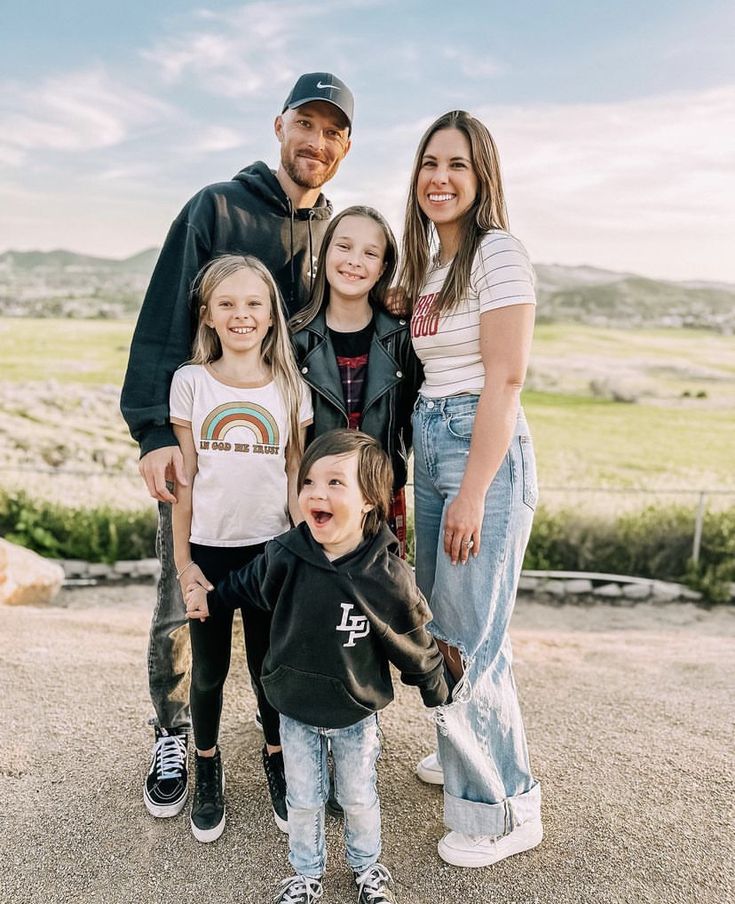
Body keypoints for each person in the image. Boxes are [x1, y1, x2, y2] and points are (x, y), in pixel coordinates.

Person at [119, 72, 354, 819]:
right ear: (279, 125)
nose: (315, 142)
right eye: (305, 125)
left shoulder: (335, 233)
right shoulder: (215, 206)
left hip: (292, 467)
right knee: (181, 595)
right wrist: (155, 430)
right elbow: (163, 316)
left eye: (332, 131)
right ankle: (173, 730)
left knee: (282, 609)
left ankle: (280, 739)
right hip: (203, 456)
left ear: (345, 146)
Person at [184, 430, 449, 904]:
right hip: (293, 706)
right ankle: (306, 875)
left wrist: (434, 686)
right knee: (303, 801)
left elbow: (412, 637)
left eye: (334, 483)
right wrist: (212, 599)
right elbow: (247, 583)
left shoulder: (385, 575)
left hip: (355, 711)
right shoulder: (287, 553)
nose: (316, 494)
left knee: (358, 796)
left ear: (369, 500)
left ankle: (368, 869)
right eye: (308, 482)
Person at [398, 110, 542, 868]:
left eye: (456, 164)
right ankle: (464, 748)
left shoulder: (498, 253)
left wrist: (472, 491)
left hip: (476, 451)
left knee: (469, 641)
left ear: (481, 176)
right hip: (434, 437)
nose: (439, 178)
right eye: (428, 162)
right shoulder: (430, 266)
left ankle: (499, 809)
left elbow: (505, 378)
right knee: (452, 623)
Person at [169, 254, 312, 841]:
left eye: (254, 303)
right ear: (207, 315)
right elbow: (183, 483)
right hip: (209, 552)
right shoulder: (191, 383)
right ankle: (206, 765)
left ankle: (276, 757)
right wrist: (184, 567)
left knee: (265, 669)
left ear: (273, 316)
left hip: (271, 554)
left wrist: (306, 557)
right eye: (227, 303)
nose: (241, 314)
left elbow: (295, 474)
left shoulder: (289, 387)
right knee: (208, 670)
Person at [290, 205, 422, 558]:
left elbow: (409, 419)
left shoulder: (401, 338)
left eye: (370, 253)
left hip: (379, 499)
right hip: (315, 503)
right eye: (344, 247)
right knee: (314, 606)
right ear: (326, 253)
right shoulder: (296, 339)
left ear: (383, 269)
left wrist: (380, 473)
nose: (354, 261)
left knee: (378, 608)